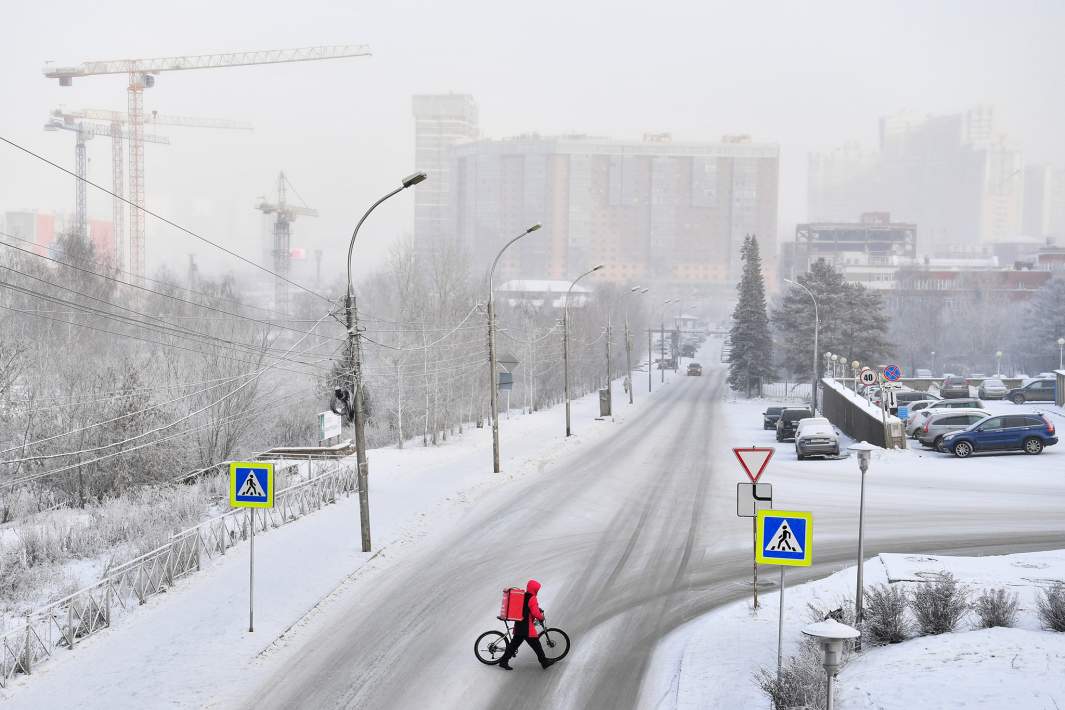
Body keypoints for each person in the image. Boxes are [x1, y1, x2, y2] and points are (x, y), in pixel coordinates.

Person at [498, 579, 554, 671]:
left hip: (519, 625)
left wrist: (536, 609)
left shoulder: (522, 595)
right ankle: (544, 662)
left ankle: (503, 662)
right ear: (535, 589)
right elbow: (534, 612)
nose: (537, 591)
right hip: (527, 628)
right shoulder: (532, 598)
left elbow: (526, 608)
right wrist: (541, 617)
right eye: (537, 589)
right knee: (536, 645)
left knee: (513, 645)